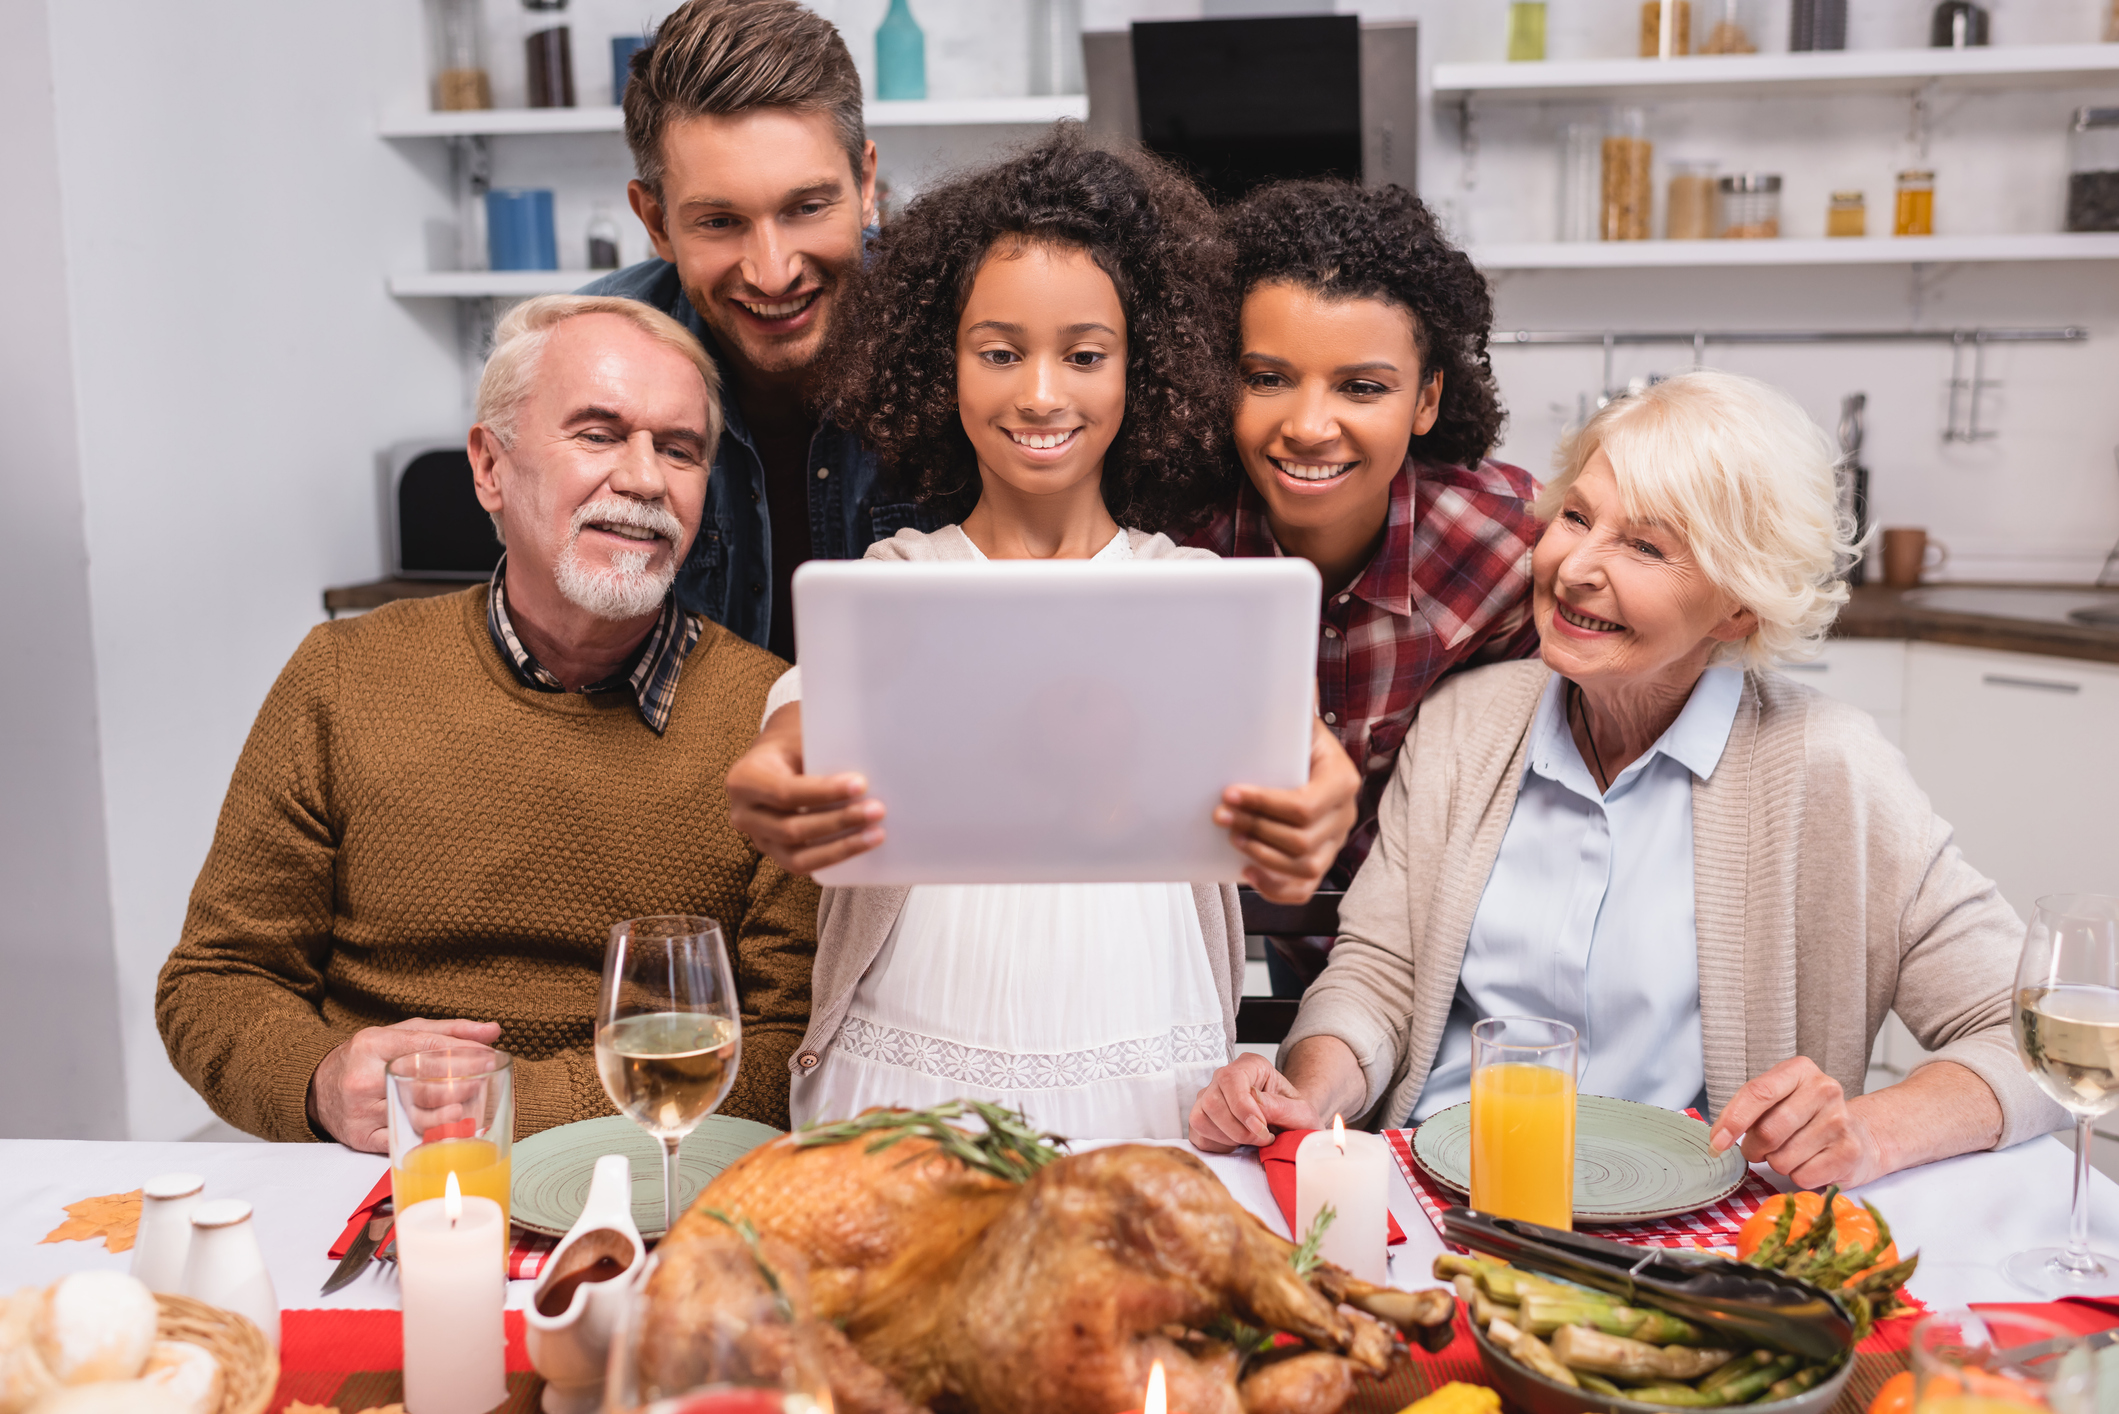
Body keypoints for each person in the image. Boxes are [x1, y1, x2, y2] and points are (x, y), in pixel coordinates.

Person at [1189, 370, 2066, 1187]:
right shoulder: (1465, 724)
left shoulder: (1827, 769)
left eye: (1644, 546)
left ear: (1738, 606)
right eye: (1577, 518)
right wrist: (1310, 1092)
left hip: (1697, 1233)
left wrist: (1872, 1131)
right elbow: (1376, 974)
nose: (1576, 567)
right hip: (1440, 1193)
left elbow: (2030, 1035)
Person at [733, 128, 1358, 1138]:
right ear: (944, 366)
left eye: (1083, 355)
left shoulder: (1191, 592)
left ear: (1139, 369)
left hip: (1149, 1077)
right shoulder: (895, 581)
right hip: (903, 1080)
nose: (1039, 393)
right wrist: (769, 775)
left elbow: (1296, 750)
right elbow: (798, 724)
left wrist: (1318, 799)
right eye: (999, 353)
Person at [155, 296, 819, 1149]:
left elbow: (789, 1045)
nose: (645, 479)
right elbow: (214, 981)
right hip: (379, 1176)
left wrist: (496, 1106)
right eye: (598, 434)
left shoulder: (776, 716)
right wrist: (325, 1082)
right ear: (489, 468)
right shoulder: (341, 676)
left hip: (657, 1173)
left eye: (679, 450)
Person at [1185, 181, 1542, 995]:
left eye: (1362, 387)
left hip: (1468, 968)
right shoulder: (1170, 545)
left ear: (1425, 400)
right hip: (1255, 956)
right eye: (1267, 377)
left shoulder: (1509, 546)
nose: (1309, 425)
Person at [582, 0, 932, 662]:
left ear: (865, 184)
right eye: (719, 222)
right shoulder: (581, 359)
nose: (772, 275)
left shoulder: (970, 336)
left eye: (805, 207)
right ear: (655, 221)